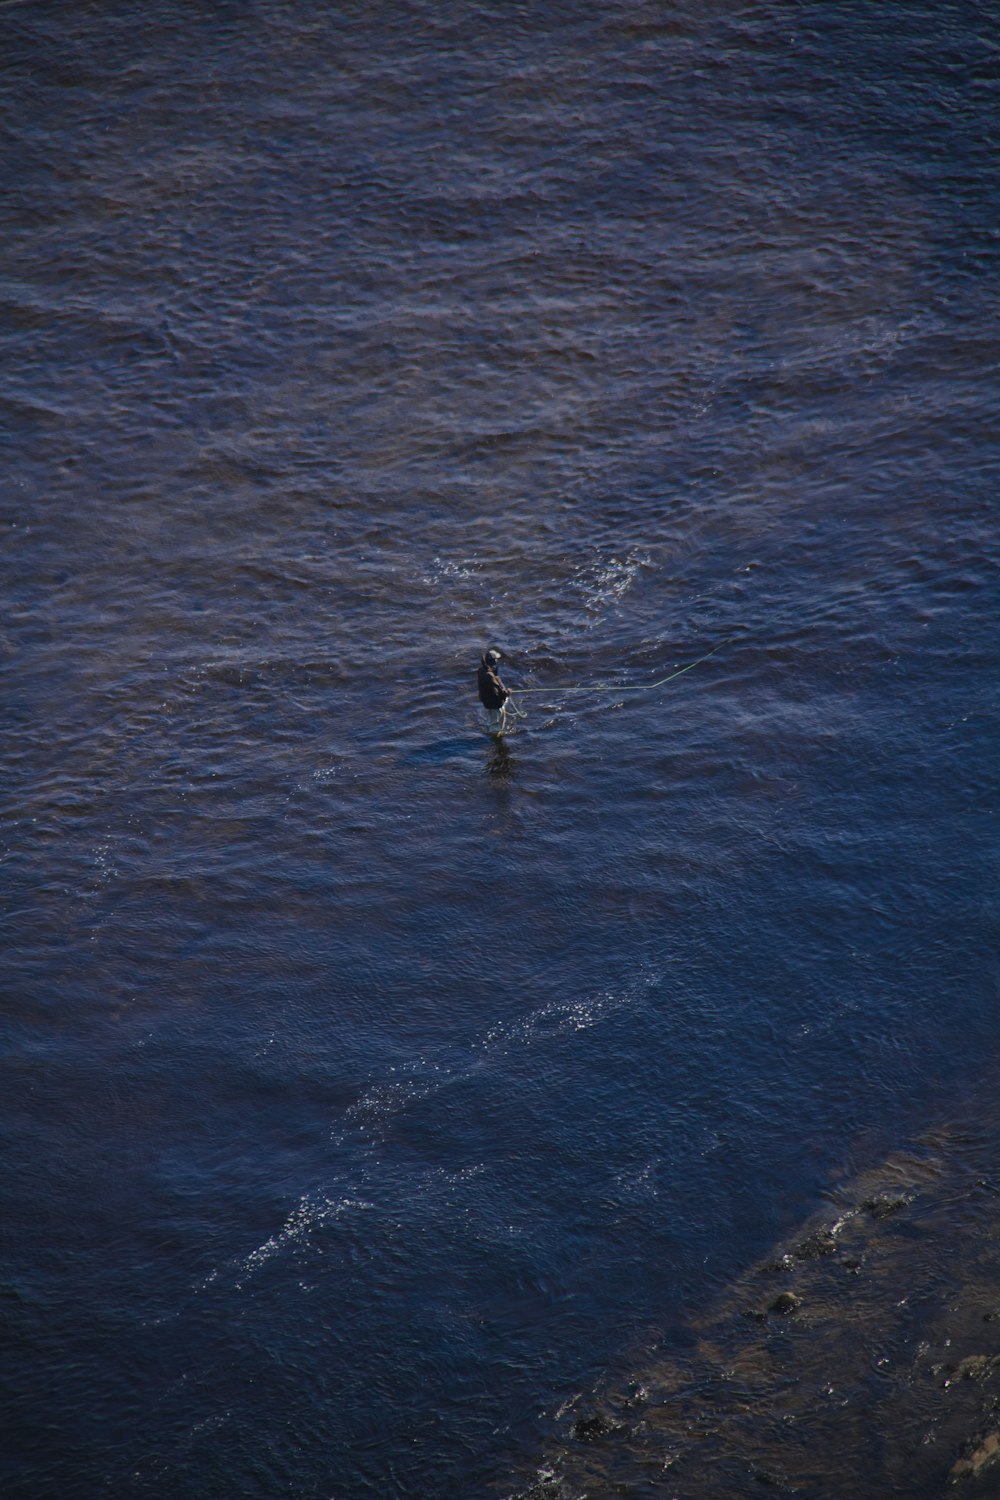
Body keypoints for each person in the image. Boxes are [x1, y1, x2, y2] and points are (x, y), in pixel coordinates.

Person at [477, 647, 510, 731]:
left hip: (487, 701)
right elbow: (497, 694)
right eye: (496, 659)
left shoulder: (481, 670)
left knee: (493, 718)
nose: (497, 661)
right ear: (493, 661)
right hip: (494, 704)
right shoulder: (490, 676)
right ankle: (494, 735)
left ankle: (493, 730)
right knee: (496, 722)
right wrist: (507, 692)